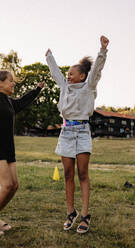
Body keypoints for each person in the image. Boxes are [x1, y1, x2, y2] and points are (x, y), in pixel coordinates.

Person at [45, 35, 109, 233]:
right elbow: (55, 74)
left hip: (82, 131)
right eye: (68, 73)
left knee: (82, 173)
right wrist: (49, 57)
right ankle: (70, 212)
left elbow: (97, 70)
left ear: (82, 76)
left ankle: (85, 215)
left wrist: (103, 50)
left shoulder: (88, 87)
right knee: (67, 174)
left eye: (72, 73)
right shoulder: (64, 87)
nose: (68, 76)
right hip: (66, 132)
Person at [0, 52, 44, 236]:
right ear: (0, 83)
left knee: (14, 186)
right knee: (6, 185)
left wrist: (37, 89)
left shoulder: (9, 101)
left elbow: (23, 101)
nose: (13, 83)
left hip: (8, 149)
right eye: (10, 81)